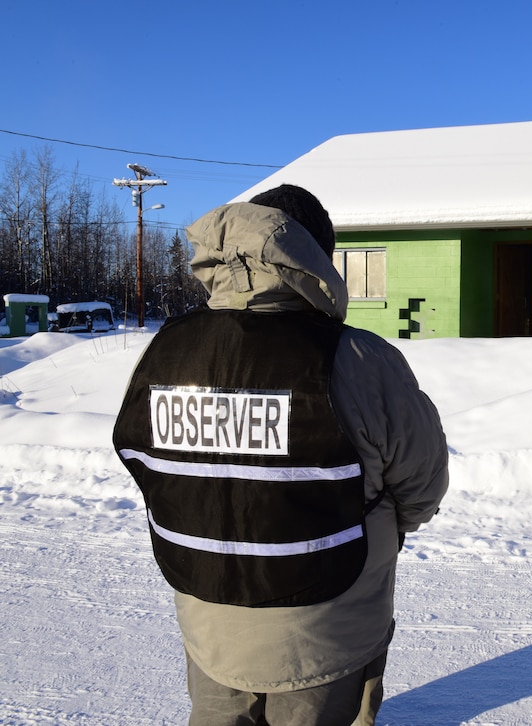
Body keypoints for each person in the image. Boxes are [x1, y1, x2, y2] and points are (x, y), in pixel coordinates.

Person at [113, 185, 449, 726]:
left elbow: (148, 467)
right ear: (315, 256)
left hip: (209, 619)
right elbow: (421, 484)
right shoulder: (360, 358)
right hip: (328, 629)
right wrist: (387, 526)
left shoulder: (165, 351)